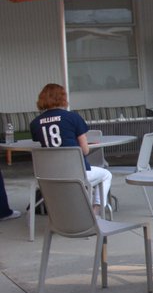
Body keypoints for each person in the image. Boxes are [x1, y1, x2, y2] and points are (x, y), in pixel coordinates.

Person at [29, 83, 112, 214]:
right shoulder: (73, 117)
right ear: (63, 98)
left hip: (49, 176)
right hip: (75, 174)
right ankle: (95, 212)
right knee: (106, 174)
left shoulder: (35, 123)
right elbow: (85, 150)